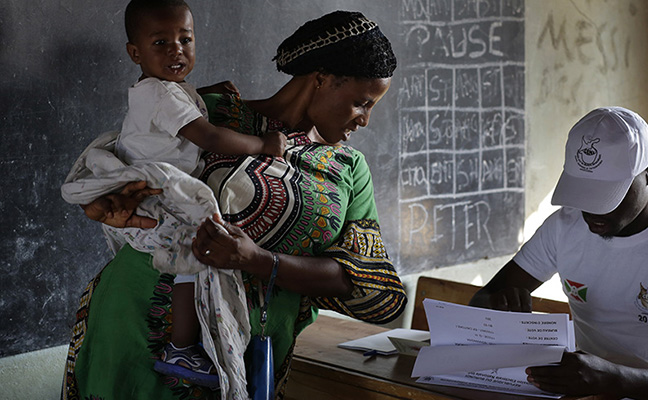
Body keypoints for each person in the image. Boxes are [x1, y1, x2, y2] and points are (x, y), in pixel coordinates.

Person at [61, 9, 406, 400]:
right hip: (133, 324)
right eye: (362, 102)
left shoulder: (347, 168)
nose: (365, 120)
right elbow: (122, 175)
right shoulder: (206, 112)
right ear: (322, 79)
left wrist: (258, 260)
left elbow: (359, 280)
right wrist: (106, 206)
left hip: (239, 360)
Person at [65, 0, 287, 389]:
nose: (176, 50)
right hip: (152, 193)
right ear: (135, 53)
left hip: (153, 189)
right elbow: (209, 135)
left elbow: (175, 106)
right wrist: (264, 144)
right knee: (196, 251)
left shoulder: (163, 91)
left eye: (185, 39)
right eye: (161, 42)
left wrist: (204, 91)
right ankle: (182, 347)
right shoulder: (163, 95)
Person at [469, 107, 648, 400]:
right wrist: (496, 306)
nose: (592, 210)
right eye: (583, 191)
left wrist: (613, 379)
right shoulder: (564, 227)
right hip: (585, 391)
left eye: (608, 195)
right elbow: (481, 301)